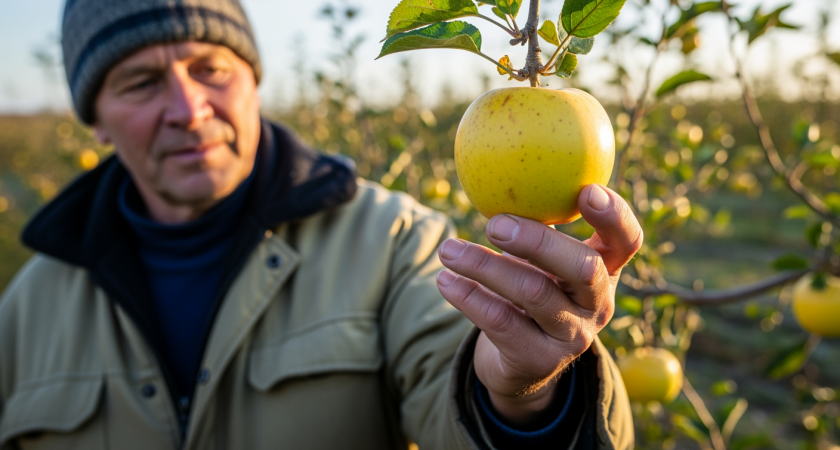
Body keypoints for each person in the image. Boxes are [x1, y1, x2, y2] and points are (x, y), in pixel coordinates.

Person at [0, 0, 641, 448]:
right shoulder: (25, 311)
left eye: (210, 69)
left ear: (252, 79)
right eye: (140, 82)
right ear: (97, 122)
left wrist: (523, 396)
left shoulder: (394, 243)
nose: (188, 111)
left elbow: (452, 383)